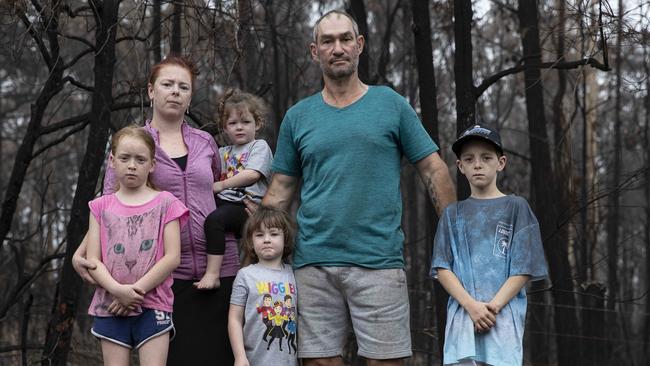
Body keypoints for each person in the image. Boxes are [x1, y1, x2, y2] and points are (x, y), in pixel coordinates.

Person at [251, 9, 456, 366]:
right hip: (313, 262)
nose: (338, 47)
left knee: (386, 362)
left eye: (345, 39)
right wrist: (252, 256)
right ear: (314, 51)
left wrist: (457, 236)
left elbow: (433, 169)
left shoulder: (390, 104)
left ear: (359, 45)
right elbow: (280, 189)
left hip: (378, 260)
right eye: (327, 41)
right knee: (319, 362)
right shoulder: (299, 116)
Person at [73, 55, 238, 364]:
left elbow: (218, 189)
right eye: (167, 84)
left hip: (219, 269)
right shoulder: (135, 147)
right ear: (151, 91)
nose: (175, 91)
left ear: (190, 96)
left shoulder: (206, 142)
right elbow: (110, 206)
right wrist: (80, 253)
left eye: (183, 86)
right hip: (163, 278)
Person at [430, 124, 549, 366]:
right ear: (460, 166)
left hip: (502, 321)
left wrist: (492, 308)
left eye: (486, 158)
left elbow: (523, 268)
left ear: (501, 163)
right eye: (469, 158)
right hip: (463, 321)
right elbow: (442, 268)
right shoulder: (453, 215)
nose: (477, 164)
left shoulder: (516, 208)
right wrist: (472, 306)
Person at [85, 126, 188, 366]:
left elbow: (172, 258)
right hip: (109, 304)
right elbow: (92, 261)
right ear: (112, 161)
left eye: (140, 159)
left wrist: (135, 292)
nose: (132, 165)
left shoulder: (166, 203)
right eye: (124, 158)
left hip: (153, 305)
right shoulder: (99, 206)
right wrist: (119, 291)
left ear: (152, 164)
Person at [195, 89, 273, 290]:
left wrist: (222, 185)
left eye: (246, 122)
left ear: (258, 124)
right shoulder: (222, 152)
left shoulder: (259, 146)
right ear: (224, 127)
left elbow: (252, 174)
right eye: (233, 123)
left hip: (246, 206)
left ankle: (213, 274)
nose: (239, 128)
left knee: (215, 220)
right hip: (225, 203)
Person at [228, 205, 298, 366]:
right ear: (251, 242)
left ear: (285, 239)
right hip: (254, 359)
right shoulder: (245, 275)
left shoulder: (293, 274)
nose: (267, 239)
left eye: (274, 234)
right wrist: (239, 356)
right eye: (259, 235)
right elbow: (234, 318)